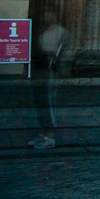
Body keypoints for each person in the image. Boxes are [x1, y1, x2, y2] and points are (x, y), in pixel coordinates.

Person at [30, 11, 69, 150]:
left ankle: (50, 136)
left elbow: (66, 50)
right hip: (40, 69)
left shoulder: (60, 31)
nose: (45, 15)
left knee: (48, 102)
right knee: (40, 101)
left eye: (48, 12)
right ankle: (44, 133)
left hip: (50, 70)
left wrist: (60, 65)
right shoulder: (44, 29)